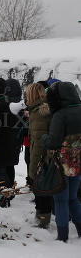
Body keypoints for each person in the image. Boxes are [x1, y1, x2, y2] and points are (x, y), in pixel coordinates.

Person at [42, 81, 81, 241]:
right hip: (78, 162)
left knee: (60, 200)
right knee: (73, 198)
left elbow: (53, 142)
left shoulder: (60, 115)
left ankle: (62, 236)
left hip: (62, 164)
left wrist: (44, 137)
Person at [0, 78, 23, 207]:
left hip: (0, 145)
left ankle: (3, 197)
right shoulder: (16, 104)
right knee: (9, 167)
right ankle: (9, 193)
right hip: (13, 144)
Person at [25, 83, 53, 228]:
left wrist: (32, 167)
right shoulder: (42, 108)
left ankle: (43, 220)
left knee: (41, 189)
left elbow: (39, 142)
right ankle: (42, 217)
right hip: (47, 156)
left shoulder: (39, 113)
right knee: (43, 188)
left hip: (43, 158)